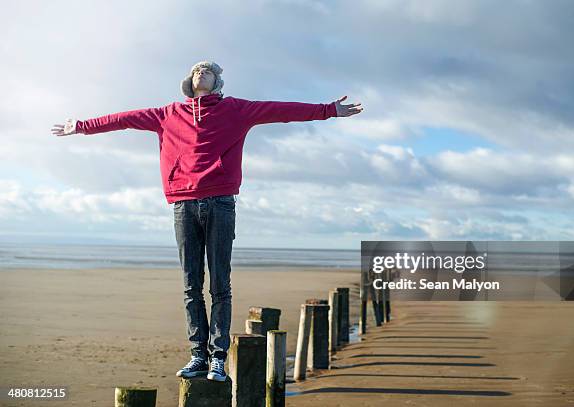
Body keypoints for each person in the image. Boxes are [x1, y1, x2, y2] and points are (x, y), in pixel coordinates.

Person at [51, 60, 363, 381]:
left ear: (217, 82)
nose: (201, 74)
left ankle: (217, 357)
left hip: (220, 203)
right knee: (191, 285)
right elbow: (124, 119)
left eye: (208, 72)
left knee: (220, 285)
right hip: (183, 203)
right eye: (197, 71)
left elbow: (281, 110)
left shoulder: (237, 110)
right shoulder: (168, 114)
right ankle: (197, 355)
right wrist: (83, 126)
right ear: (190, 81)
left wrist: (328, 110)